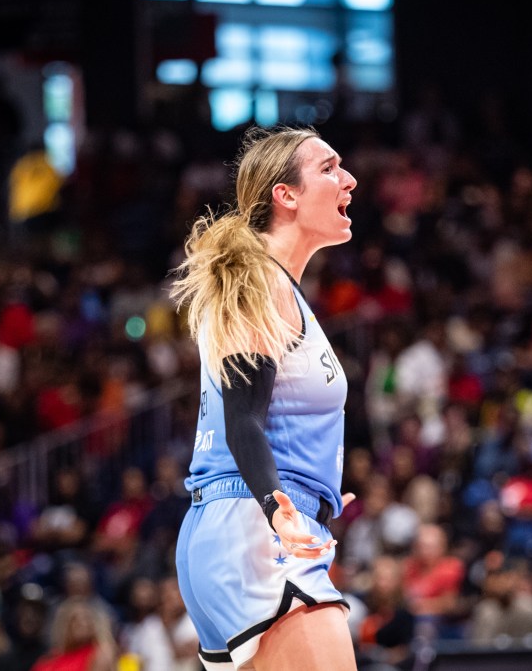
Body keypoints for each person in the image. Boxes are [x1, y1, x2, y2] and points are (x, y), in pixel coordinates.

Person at [170, 126, 358, 671]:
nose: (348, 179)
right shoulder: (263, 279)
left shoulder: (265, 281)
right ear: (286, 194)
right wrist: (281, 505)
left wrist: (315, 492)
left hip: (225, 529)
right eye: (329, 168)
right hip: (255, 532)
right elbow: (243, 420)